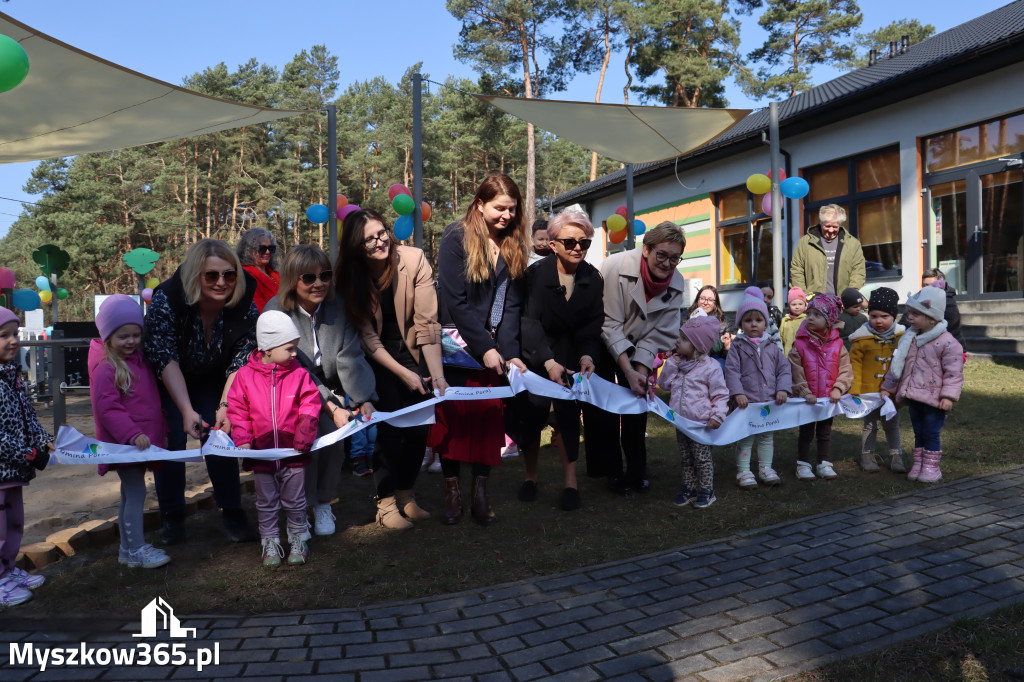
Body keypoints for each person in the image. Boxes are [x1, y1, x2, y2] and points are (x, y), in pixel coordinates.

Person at [336, 208, 447, 530]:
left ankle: (406, 495)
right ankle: (385, 504)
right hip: (376, 361)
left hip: (415, 351)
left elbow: (428, 324)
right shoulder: (349, 275)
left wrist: (435, 375)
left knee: (419, 428)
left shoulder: (413, 259)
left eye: (381, 233)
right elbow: (367, 337)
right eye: (369, 239)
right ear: (356, 246)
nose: (379, 242)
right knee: (391, 429)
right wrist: (403, 373)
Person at [145, 239, 259, 544]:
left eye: (229, 274)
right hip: (171, 375)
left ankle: (232, 511)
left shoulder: (246, 303)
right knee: (173, 436)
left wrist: (226, 405)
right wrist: (184, 409)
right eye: (211, 275)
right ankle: (172, 515)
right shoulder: (167, 299)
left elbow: (242, 358)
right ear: (196, 275)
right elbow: (164, 356)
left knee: (217, 430)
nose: (221, 282)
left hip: (215, 377)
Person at [265, 244, 376, 536]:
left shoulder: (338, 305)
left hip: (328, 386)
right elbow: (294, 370)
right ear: (292, 279)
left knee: (335, 443)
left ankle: (323, 503)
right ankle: (300, 507)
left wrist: (363, 398)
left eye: (325, 275)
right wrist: (332, 407)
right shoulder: (275, 313)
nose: (319, 284)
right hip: (290, 389)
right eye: (309, 278)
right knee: (307, 443)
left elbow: (349, 354)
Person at [436, 174, 528, 525]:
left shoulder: (513, 242)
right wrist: (486, 347)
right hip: (459, 349)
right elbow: (455, 301)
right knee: (454, 422)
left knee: (490, 421)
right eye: (499, 208)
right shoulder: (454, 237)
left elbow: (512, 307)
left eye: (512, 209)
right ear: (480, 204)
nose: (506, 215)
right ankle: (453, 492)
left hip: (494, 350)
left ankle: (480, 492)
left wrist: (510, 351)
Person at [517, 209, 604, 511]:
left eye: (584, 242)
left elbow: (592, 324)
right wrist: (547, 361)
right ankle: (530, 477)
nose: (578, 247)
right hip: (538, 355)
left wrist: (587, 354)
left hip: (571, 355)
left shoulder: (593, 279)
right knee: (532, 417)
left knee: (568, 418)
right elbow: (528, 323)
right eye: (569, 242)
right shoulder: (533, 276)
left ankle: (571, 483)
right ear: (553, 245)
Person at [597, 221, 686, 495]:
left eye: (674, 258)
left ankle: (637, 472)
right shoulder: (615, 267)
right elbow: (609, 324)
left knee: (637, 405)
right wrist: (626, 370)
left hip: (639, 347)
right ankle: (612, 472)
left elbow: (660, 333)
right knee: (608, 409)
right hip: (602, 340)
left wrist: (640, 370)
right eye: (662, 255)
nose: (668, 263)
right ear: (646, 249)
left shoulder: (677, 283)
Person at [227, 311, 321, 567]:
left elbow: (310, 405)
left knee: (295, 500)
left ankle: (298, 536)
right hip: (262, 455)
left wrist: (304, 432)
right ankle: (269, 541)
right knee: (266, 502)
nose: (294, 354)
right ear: (267, 348)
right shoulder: (244, 377)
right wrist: (243, 438)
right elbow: (237, 409)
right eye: (289, 348)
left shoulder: (299, 375)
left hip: (293, 453)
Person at [88, 295, 170, 569]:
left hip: (139, 443)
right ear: (109, 335)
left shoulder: (138, 361)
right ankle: (135, 549)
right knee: (135, 493)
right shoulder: (107, 368)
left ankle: (127, 548)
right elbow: (108, 409)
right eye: (124, 336)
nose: (132, 341)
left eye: (136, 334)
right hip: (127, 445)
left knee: (130, 493)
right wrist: (132, 434)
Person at [881, 286, 964, 483]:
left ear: (931, 318)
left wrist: (948, 396)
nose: (910, 317)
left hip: (935, 398)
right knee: (918, 430)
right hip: (913, 395)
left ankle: (932, 467)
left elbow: (954, 372)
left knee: (931, 431)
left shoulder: (947, 342)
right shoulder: (909, 338)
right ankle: (919, 463)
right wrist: (888, 386)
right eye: (910, 312)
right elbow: (898, 363)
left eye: (916, 314)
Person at [0, 308, 52, 607]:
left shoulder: (12, 375)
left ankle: (8, 570)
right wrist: (29, 454)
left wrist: (44, 441)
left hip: (14, 471)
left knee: (15, 523)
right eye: (4, 336)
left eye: (15, 334)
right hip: (5, 467)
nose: (13, 341)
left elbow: (28, 417)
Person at [657, 316, 728, 509]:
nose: (678, 341)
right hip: (682, 423)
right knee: (686, 457)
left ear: (698, 346)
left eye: (684, 338)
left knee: (702, 458)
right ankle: (689, 488)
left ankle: (707, 490)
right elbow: (662, 384)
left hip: (700, 424)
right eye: (680, 336)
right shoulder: (678, 365)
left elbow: (720, 394)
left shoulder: (710, 367)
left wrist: (717, 415)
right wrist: (671, 363)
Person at [725, 287, 792, 489]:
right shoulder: (737, 346)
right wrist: (738, 393)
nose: (753, 324)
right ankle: (744, 471)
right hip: (746, 402)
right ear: (740, 323)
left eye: (758, 320)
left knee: (766, 437)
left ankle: (765, 468)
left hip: (768, 401)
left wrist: (783, 389)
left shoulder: (772, 345)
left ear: (765, 322)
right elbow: (731, 371)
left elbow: (784, 369)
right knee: (746, 437)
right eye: (748, 320)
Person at [788, 294, 853, 481]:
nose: (810, 317)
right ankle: (803, 464)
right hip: (807, 400)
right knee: (806, 433)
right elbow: (795, 369)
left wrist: (839, 388)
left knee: (825, 432)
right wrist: (804, 391)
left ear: (829, 320)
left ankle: (823, 462)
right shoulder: (800, 344)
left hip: (827, 399)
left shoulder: (838, 345)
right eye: (809, 313)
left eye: (816, 314)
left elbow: (845, 369)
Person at [848, 287, 905, 473]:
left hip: (893, 390)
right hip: (868, 391)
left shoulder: (902, 338)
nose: (878, 321)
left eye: (884, 316)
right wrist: (855, 387)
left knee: (892, 423)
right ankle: (867, 455)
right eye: (873, 316)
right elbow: (854, 364)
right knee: (870, 424)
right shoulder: (861, 339)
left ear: (894, 316)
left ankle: (896, 456)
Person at [790, 204, 866, 296]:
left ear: (840, 225)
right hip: (813, 303)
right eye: (827, 226)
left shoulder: (853, 244)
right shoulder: (805, 242)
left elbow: (858, 272)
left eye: (835, 227)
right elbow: (797, 270)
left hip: (842, 303)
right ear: (821, 223)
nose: (830, 230)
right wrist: (803, 296)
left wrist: (850, 296)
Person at [899, 268, 967, 355]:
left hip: (952, 350)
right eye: (925, 285)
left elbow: (947, 326)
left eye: (931, 285)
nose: (927, 289)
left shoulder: (948, 300)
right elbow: (905, 320)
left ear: (941, 284)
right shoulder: (920, 298)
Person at [686, 285, 733, 370]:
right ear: (697, 300)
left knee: (719, 365)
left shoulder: (725, 322)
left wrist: (726, 347)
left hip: (714, 358)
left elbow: (727, 354)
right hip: (690, 357)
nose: (705, 302)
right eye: (702, 298)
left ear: (716, 303)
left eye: (710, 300)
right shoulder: (687, 318)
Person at [237, 228, 281, 313]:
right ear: (248, 250)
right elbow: (260, 309)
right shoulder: (245, 276)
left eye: (271, 248)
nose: (268, 252)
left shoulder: (275, 273)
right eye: (262, 249)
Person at [779, 287, 807, 355]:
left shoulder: (806, 320)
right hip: (787, 355)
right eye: (794, 304)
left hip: (803, 356)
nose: (797, 307)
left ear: (805, 305)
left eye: (800, 304)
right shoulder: (784, 321)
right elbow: (779, 338)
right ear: (789, 306)